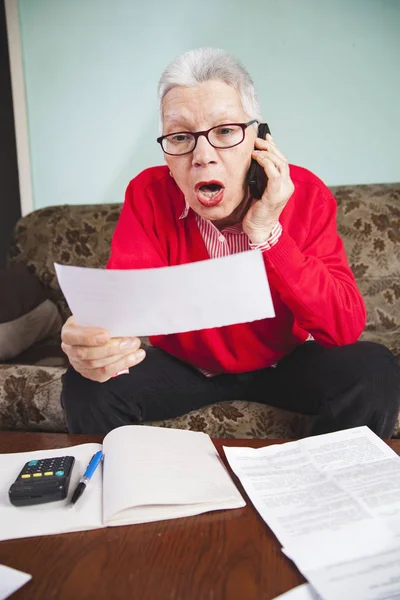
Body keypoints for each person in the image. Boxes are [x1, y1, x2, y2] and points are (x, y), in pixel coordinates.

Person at [60, 47, 400, 437]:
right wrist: (91, 340)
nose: (203, 156)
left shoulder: (306, 193)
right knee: (86, 385)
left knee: (374, 370)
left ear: (259, 140)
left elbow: (343, 328)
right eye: (181, 136)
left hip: (286, 363)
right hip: (186, 367)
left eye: (224, 131)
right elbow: (123, 305)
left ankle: (318, 491)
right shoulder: (148, 194)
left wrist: (268, 233)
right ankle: (129, 491)